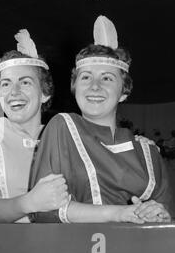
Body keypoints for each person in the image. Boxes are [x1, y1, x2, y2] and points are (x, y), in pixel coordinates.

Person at [29, 15, 174, 223]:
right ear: (75, 86)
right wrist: (119, 213)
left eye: (107, 78)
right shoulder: (63, 126)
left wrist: (157, 214)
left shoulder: (147, 151)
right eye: (86, 77)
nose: (94, 86)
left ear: (124, 91)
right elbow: (44, 211)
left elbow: (167, 216)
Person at [0, 29, 69, 223]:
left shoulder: (64, 134)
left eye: (25, 82)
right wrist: (30, 202)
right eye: (6, 84)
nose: (14, 92)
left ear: (45, 93)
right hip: (6, 246)